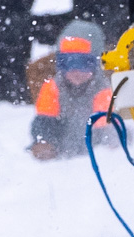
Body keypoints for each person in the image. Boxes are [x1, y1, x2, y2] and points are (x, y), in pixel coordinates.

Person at [29, 22, 113, 160]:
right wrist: (45, 141)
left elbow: (105, 131)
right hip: (61, 151)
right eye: (67, 62)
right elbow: (43, 122)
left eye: (84, 63)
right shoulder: (53, 87)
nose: (75, 70)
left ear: (97, 64)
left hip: (92, 153)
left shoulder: (102, 90)